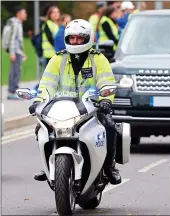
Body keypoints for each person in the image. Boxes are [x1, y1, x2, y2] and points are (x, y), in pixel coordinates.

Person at [28, 19, 121, 185]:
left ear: (88, 38)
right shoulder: (58, 59)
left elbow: (106, 82)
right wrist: (39, 101)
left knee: (109, 127)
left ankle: (109, 167)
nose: (75, 41)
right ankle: (49, 165)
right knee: (41, 129)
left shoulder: (98, 59)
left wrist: (106, 100)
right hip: (62, 107)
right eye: (72, 38)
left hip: (91, 107)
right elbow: (47, 84)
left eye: (79, 38)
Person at [5, 6, 27, 100]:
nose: (25, 15)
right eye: (24, 13)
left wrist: (22, 53)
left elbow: (18, 40)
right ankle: (12, 92)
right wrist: (12, 52)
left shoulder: (18, 23)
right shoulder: (15, 23)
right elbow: (12, 39)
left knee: (16, 71)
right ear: (18, 14)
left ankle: (13, 90)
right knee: (14, 72)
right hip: (15, 51)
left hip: (17, 51)